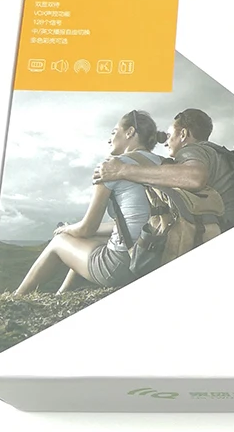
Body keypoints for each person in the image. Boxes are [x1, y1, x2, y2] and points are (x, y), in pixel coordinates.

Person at [14, 111, 165, 295]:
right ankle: (62, 295)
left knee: (59, 242)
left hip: (125, 265)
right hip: (156, 258)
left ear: (130, 132)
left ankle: (16, 298)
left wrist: (65, 230)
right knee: (86, 241)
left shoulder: (112, 167)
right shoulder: (164, 166)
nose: (110, 139)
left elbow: (87, 229)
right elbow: (130, 223)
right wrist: (76, 230)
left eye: (114, 132)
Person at [92, 107, 234, 228]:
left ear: (183, 134)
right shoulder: (215, 153)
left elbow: (194, 178)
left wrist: (122, 170)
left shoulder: (192, 150)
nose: (165, 143)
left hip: (219, 228)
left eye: (169, 136)